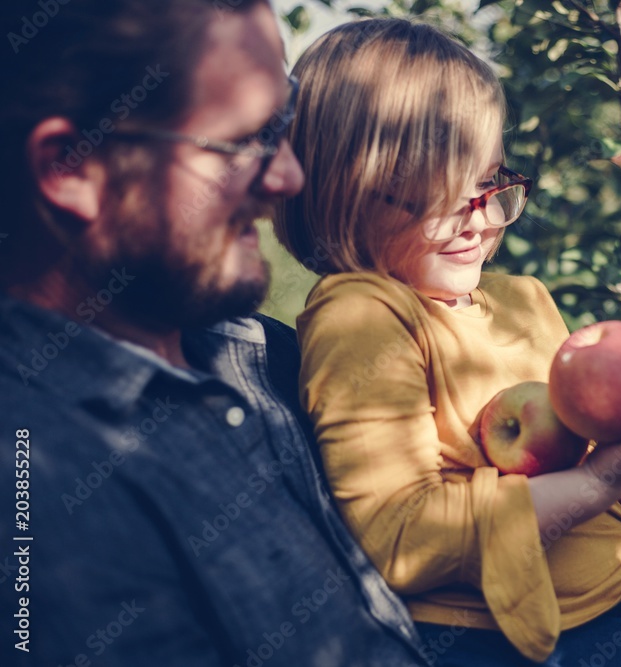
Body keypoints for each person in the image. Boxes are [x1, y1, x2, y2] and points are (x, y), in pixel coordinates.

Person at [274, 18, 621, 666]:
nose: (477, 221)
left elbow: (595, 505)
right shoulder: (363, 316)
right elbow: (395, 532)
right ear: (344, 189)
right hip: (492, 645)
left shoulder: (521, 301)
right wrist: (596, 481)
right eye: (438, 195)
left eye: (491, 185)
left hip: (615, 623)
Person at [0, 1, 430, 665]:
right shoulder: (38, 498)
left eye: (283, 121)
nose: (289, 176)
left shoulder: (276, 358)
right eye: (243, 139)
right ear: (71, 167)